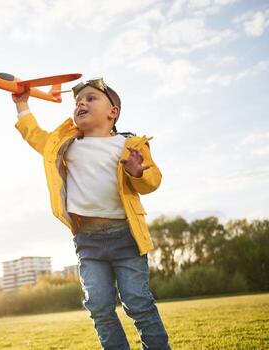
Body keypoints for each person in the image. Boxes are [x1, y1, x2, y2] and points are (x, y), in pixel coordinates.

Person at [11, 77, 171, 350]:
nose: (81, 103)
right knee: (98, 305)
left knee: (138, 302)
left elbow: (152, 181)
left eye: (90, 98)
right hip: (88, 241)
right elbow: (35, 135)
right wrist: (22, 104)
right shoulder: (66, 144)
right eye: (77, 101)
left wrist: (137, 173)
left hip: (127, 237)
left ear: (113, 112)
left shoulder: (131, 144)